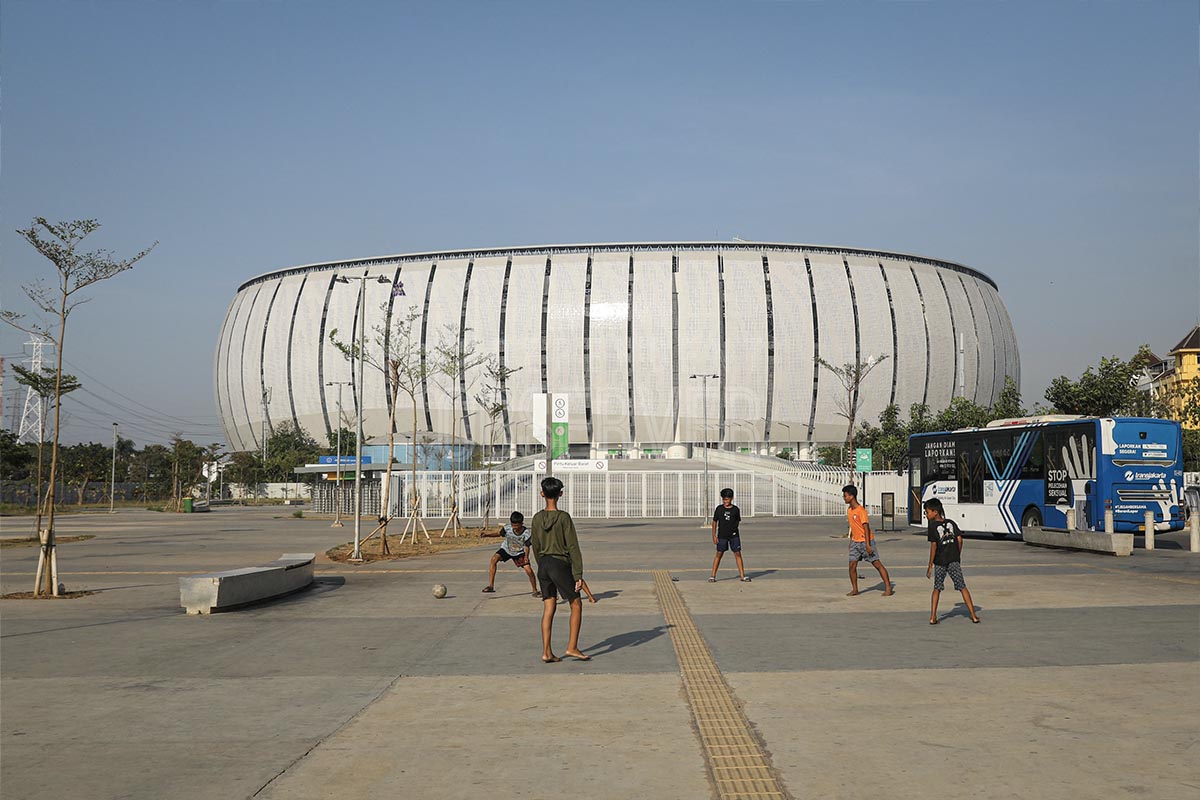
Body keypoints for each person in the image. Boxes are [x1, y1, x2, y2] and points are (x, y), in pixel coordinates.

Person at [530, 476, 590, 662]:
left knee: (549, 607)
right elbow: (572, 546)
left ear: (542, 494)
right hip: (559, 564)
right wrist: (578, 574)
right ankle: (572, 647)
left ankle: (546, 652)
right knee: (576, 604)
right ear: (560, 494)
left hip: (543, 564)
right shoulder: (563, 517)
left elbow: (536, 545)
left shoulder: (537, 518)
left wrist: (542, 566)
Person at [924, 498, 980, 624]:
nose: (926, 515)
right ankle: (974, 616)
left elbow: (934, 546)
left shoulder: (932, 526)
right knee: (962, 587)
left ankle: (933, 617)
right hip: (953, 560)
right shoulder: (951, 523)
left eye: (927, 512)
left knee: (937, 588)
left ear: (935, 512)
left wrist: (930, 565)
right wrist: (957, 554)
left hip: (940, 562)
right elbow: (960, 540)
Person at [843, 484, 893, 596]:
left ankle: (888, 588)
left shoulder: (861, 511)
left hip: (865, 542)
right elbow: (853, 527)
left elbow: (866, 527)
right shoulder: (850, 510)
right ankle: (855, 589)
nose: (844, 498)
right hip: (855, 543)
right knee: (852, 566)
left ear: (851, 496)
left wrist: (868, 545)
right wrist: (851, 542)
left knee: (877, 564)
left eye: (845, 496)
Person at [481, 511, 539, 596]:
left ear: (521, 523)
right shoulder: (507, 528)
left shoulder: (526, 533)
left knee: (528, 570)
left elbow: (527, 546)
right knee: (494, 559)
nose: (514, 528)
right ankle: (491, 586)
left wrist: (526, 556)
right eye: (513, 525)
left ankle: (535, 590)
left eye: (516, 526)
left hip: (519, 553)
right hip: (506, 549)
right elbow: (498, 534)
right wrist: (487, 535)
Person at [710, 487, 751, 582]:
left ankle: (742, 576)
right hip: (722, 536)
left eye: (727, 499)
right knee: (719, 554)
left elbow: (737, 521)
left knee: (738, 554)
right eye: (724, 499)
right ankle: (712, 576)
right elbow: (715, 522)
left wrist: (733, 531)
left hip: (734, 536)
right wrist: (714, 535)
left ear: (731, 498)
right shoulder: (719, 509)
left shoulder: (736, 509)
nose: (725, 501)